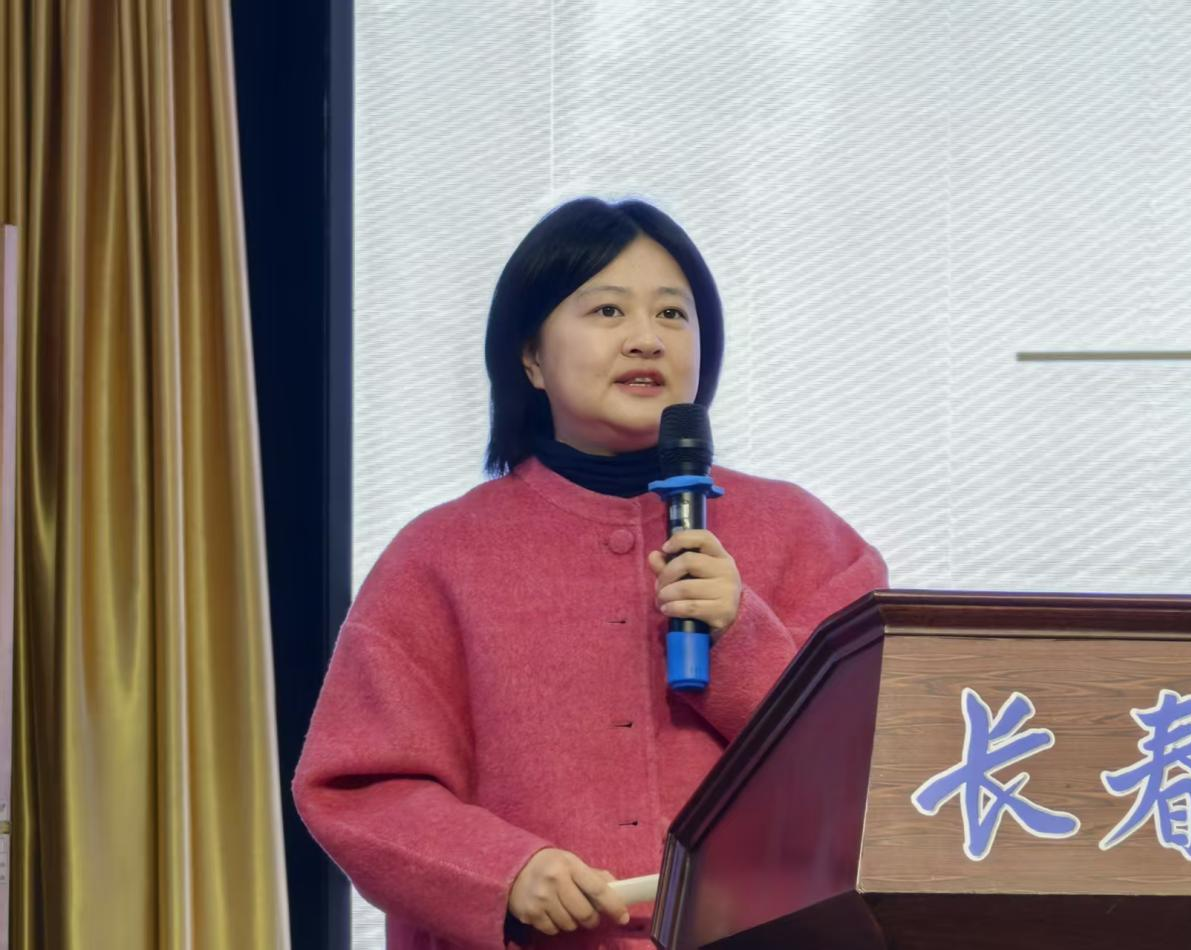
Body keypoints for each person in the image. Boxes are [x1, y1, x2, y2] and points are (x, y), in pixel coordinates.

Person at [292, 197, 888, 950]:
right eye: (607, 311)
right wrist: (503, 873)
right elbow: (360, 788)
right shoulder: (437, 556)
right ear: (530, 357)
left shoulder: (807, 537)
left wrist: (742, 639)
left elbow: (885, 764)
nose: (646, 338)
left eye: (672, 314)